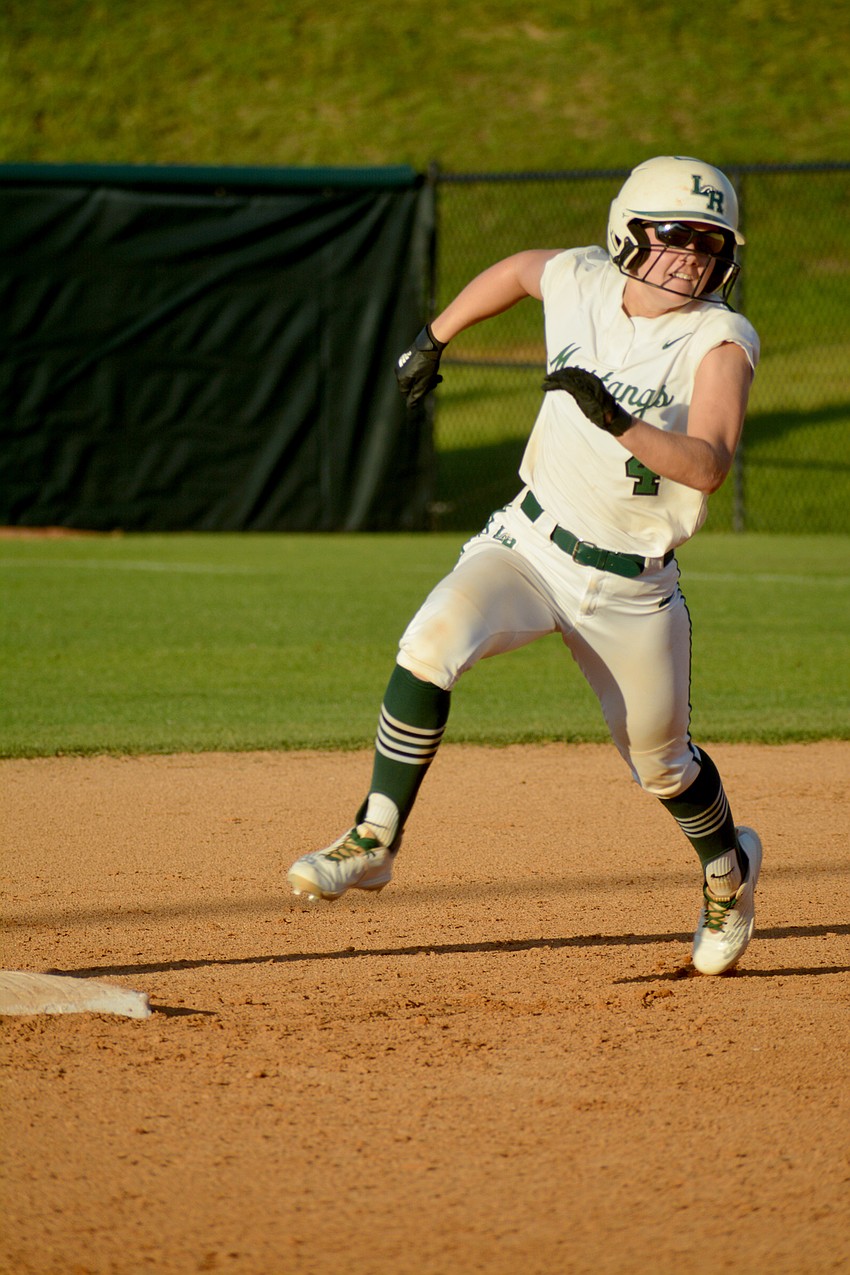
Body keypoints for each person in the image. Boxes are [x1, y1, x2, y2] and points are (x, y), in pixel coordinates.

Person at [287, 155, 763, 977]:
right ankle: (375, 834)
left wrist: (615, 419)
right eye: (677, 234)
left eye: (711, 242)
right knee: (430, 641)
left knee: (663, 762)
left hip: (632, 583)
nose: (694, 255)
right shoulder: (581, 277)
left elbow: (710, 462)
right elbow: (515, 271)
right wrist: (434, 337)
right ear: (628, 234)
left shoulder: (720, 335)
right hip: (530, 542)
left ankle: (729, 873)